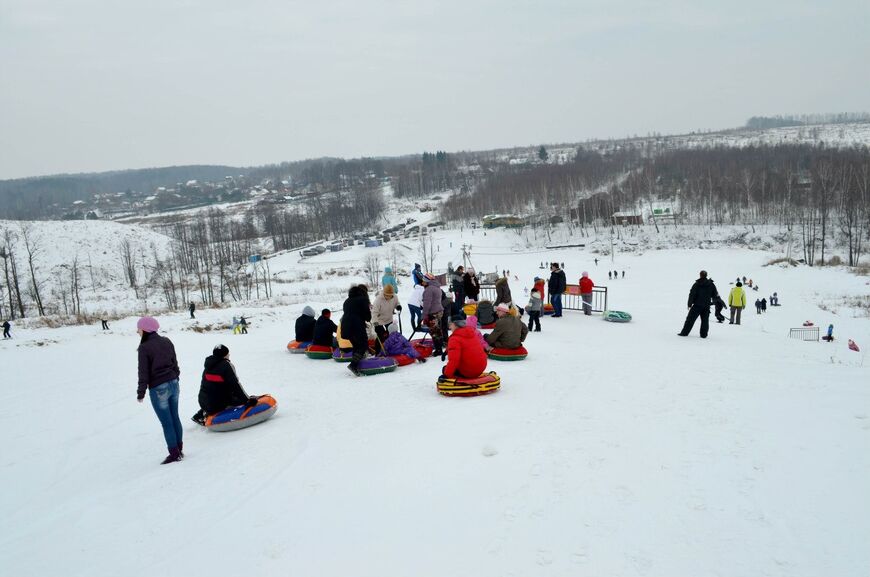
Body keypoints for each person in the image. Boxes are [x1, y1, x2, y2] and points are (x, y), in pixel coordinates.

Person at [136, 316, 183, 465]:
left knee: (167, 422)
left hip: (159, 388)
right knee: (175, 417)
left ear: (145, 329)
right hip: (173, 383)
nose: (137, 331)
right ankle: (179, 450)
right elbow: (174, 362)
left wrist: (141, 391)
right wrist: (175, 376)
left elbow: (143, 371)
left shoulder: (144, 348)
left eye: (138, 329)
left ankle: (174, 453)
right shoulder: (166, 341)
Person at [191, 344, 257, 426]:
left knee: (214, 393)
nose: (229, 355)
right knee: (238, 400)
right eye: (228, 353)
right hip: (219, 404)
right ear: (224, 355)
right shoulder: (226, 365)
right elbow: (236, 386)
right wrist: (248, 400)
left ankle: (201, 413)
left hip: (203, 402)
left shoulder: (208, 365)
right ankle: (211, 414)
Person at [677, 270, 719, 339]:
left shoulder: (697, 284)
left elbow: (692, 294)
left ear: (700, 275)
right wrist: (714, 302)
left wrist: (689, 304)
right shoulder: (711, 284)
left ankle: (684, 333)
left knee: (690, 319)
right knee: (705, 321)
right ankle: (703, 335)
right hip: (706, 306)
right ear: (706, 275)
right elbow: (715, 294)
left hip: (697, 305)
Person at [341, 284, 372, 376]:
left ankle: (357, 365)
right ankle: (353, 365)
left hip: (346, 326)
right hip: (356, 326)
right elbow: (367, 316)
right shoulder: (363, 300)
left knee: (356, 346)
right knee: (363, 345)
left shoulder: (346, 301)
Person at [421, 273, 445, 357]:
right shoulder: (437, 287)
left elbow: (427, 304)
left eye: (423, 280)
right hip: (439, 311)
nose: (422, 282)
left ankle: (438, 350)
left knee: (434, 332)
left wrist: (424, 316)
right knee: (438, 330)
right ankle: (439, 347)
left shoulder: (429, 290)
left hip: (433, 313)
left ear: (427, 281)